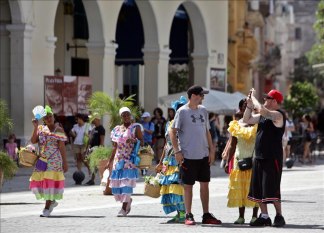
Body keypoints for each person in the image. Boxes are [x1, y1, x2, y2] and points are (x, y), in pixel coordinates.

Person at [170, 85, 222, 225]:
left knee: (205, 185)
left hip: (203, 154)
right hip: (187, 155)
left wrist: (212, 151)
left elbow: (207, 132)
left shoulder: (203, 110)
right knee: (188, 186)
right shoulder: (182, 111)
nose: (202, 98)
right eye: (201, 95)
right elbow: (172, 132)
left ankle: (206, 214)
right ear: (193, 96)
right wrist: (177, 151)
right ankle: (188, 214)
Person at [243, 89, 286, 227]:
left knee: (272, 187)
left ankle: (279, 216)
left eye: (267, 98)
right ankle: (265, 215)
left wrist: (254, 98)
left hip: (272, 157)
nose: (264, 100)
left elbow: (263, 111)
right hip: (259, 155)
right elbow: (246, 119)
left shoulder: (278, 115)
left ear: (274, 101)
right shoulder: (262, 115)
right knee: (259, 188)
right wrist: (249, 105)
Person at [29, 105, 68, 217]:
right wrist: (35, 127)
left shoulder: (58, 129)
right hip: (42, 160)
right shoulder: (41, 129)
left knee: (49, 182)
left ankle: (47, 208)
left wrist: (65, 163)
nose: (48, 119)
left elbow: (62, 147)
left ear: (53, 117)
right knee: (41, 182)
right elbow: (33, 140)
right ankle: (52, 201)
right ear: (43, 120)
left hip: (54, 160)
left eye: (50, 116)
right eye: (46, 118)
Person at [224, 99, 259, 225]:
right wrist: (228, 161)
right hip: (239, 161)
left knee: (255, 188)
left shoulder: (258, 123)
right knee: (240, 189)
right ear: (240, 109)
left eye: (250, 106)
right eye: (245, 106)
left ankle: (255, 216)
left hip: (255, 161)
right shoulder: (235, 124)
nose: (247, 108)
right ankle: (241, 217)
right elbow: (232, 145)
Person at [106, 107, 144, 216]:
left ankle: (124, 208)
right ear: (121, 117)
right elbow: (115, 147)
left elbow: (142, 142)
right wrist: (110, 161)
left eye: (128, 114)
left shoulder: (135, 128)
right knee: (118, 185)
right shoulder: (116, 129)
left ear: (130, 115)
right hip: (118, 160)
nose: (126, 117)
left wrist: (133, 140)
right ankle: (128, 202)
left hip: (130, 159)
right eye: (124, 115)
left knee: (127, 184)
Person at [156, 96, 187, 223]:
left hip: (180, 159)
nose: (180, 110)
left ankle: (183, 213)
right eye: (178, 108)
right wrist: (160, 162)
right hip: (168, 160)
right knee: (168, 186)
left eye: (182, 108)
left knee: (178, 186)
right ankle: (178, 213)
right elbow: (166, 144)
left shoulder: (186, 124)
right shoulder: (169, 124)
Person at [84, 113, 106, 185]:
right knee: (88, 161)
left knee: (94, 164)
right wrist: (87, 148)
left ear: (97, 119)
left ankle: (93, 179)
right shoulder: (93, 128)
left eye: (93, 118)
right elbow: (90, 139)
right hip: (91, 148)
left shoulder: (101, 129)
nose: (91, 120)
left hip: (96, 148)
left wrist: (101, 150)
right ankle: (93, 177)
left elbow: (102, 140)